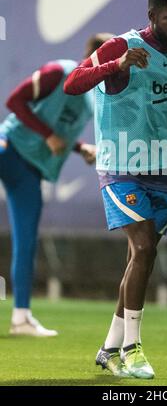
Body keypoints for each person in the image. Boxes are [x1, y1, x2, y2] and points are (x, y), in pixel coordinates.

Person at [64, 0, 167, 378]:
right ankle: (132, 348)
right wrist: (118, 65)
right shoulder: (120, 46)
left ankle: (107, 349)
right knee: (144, 247)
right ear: (151, 17)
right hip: (120, 166)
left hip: (161, 170)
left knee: (139, 260)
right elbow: (73, 82)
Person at [0, 33, 113, 337]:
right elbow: (15, 101)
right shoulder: (59, 72)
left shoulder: (91, 98)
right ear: (95, 56)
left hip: (31, 169)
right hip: (8, 147)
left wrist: (80, 148)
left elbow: (59, 131)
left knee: (26, 243)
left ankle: (21, 318)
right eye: (112, 56)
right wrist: (46, 133)